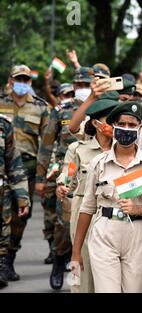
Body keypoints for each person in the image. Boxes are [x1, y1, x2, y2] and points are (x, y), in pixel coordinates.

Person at [71, 101, 142, 293]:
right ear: (113, 126)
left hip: (137, 233)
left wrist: (138, 209)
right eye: (122, 124)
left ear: (140, 128)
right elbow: (87, 207)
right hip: (105, 231)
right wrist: (76, 252)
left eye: (132, 125)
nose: (127, 129)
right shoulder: (99, 163)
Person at [56, 92, 119, 293]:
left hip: (114, 211)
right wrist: (62, 185)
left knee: (109, 267)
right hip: (83, 210)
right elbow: (69, 171)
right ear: (96, 123)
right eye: (109, 120)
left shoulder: (124, 150)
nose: (114, 124)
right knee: (80, 260)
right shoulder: (78, 148)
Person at [0, 65, 49, 281]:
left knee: (21, 214)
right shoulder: (1, 102)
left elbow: (47, 144)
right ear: (10, 81)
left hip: (26, 169)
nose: (22, 82)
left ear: (30, 82)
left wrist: (41, 176)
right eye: (18, 78)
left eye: (26, 79)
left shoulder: (40, 107)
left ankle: (9, 258)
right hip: (3, 165)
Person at [35, 80, 80, 289]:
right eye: (79, 83)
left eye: (87, 83)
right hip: (66, 170)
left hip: (95, 169)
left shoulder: (102, 107)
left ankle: (81, 275)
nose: (83, 86)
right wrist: (40, 177)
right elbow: (46, 144)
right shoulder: (61, 111)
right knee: (64, 222)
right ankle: (59, 260)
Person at [0, 114, 30, 288]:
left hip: (2, 191)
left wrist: (22, 197)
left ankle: (2, 266)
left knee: (4, 232)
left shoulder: (4, 126)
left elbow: (14, 164)